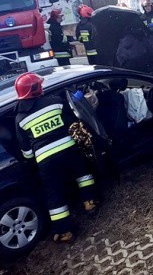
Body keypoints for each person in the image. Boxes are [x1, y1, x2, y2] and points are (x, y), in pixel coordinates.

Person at [14, 72, 97, 243]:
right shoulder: (55, 102)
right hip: (68, 149)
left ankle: (64, 231)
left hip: (45, 161)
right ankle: (90, 202)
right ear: (36, 89)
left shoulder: (20, 119)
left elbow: (27, 152)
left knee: (54, 193)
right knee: (83, 175)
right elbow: (71, 122)